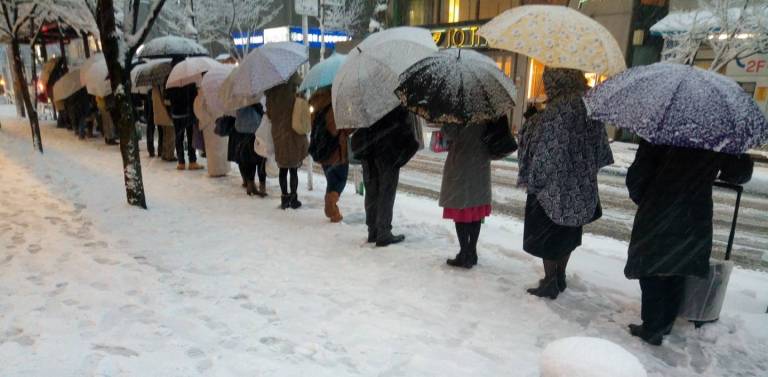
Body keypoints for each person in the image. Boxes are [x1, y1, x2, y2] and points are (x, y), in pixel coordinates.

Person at [624, 141, 753, 346]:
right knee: (679, 264)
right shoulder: (716, 136)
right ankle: (665, 322)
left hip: (658, 208)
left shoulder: (662, 130)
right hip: (695, 211)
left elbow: (637, 177)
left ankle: (652, 327)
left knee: (651, 267)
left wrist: (649, 200)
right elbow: (738, 174)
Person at [518, 67, 613, 299]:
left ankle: (550, 281)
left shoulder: (556, 111)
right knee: (567, 235)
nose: (547, 88)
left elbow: (543, 154)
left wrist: (532, 121)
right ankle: (560, 276)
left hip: (552, 191)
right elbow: (602, 152)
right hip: (580, 189)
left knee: (548, 236)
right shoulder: (589, 107)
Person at [351, 106, 419, 247]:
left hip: (368, 151)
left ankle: (373, 230)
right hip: (388, 151)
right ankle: (383, 232)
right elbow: (405, 127)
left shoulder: (366, 100)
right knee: (386, 192)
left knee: (372, 191)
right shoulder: (392, 102)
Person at [439, 118, 497, 268]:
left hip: (462, 164)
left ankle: (464, 253)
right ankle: (472, 251)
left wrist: (445, 123)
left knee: (461, 210)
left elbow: (450, 134)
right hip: (480, 164)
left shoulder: (458, 113)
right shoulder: (485, 112)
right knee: (475, 210)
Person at [266, 73, 308, 209]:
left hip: (279, 132)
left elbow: (270, 115)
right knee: (293, 168)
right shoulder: (295, 92)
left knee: (283, 168)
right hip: (293, 132)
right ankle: (294, 198)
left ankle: (284, 198)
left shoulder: (271, 92)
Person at [309, 88, 351, 223]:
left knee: (332, 180)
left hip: (323, 151)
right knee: (340, 180)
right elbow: (337, 129)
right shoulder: (334, 107)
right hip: (336, 151)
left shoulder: (316, 105)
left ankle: (332, 211)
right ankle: (331, 206)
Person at [232, 103, 267, 196]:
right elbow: (260, 110)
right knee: (260, 158)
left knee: (248, 158)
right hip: (255, 128)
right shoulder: (254, 97)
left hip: (241, 129)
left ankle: (250, 185)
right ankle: (262, 186)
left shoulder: (239, 98)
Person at [166, 81, 202, 170]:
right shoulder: (190, 79)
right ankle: (192, 161)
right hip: (188, 112)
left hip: (176, 113)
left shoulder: (171, 80)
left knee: (178, 137)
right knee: (190, 137)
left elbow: (167, 97)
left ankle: (181, 162)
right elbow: (194, 96)